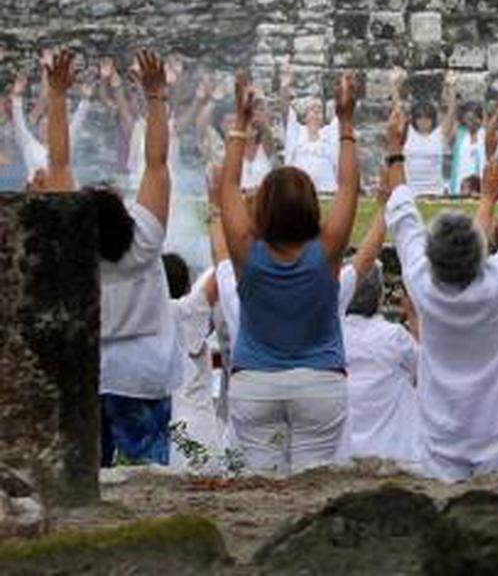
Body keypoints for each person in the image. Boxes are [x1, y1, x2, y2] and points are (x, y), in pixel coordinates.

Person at [383, 96, 498, 481]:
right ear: (481, 252)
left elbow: (404, 217)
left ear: (432, 256)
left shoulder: (422, 283)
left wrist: (395, 149)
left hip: (440, 433)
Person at [219, 69, 360, 474]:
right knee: (311, 488)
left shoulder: (248, 253)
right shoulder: (326, 252)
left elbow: (227, 189)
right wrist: (345, 121)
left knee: (263, 489)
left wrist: (241, 123)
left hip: (255, 382)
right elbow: (349, 188)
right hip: (320, 380)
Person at [67, 48, 184, 467]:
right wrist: (155, 96)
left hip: (92, 371)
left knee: (86, 475)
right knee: (150, 476)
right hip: (143, 371)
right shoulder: (145, 241)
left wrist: (57, 92)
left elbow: (60, 164)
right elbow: (156, 164)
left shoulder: (74, 253)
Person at [339, 189, 420, 466]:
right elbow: (427, 371)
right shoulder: (394, 337)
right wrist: (416, 318)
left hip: (347, 450)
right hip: (393, 451)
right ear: (380, 297)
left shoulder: (330, 336)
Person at [164, 252, 223, 472]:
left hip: (164, 430)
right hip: (200, 427)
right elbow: (221, 272)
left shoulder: (144, 317)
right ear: (188, 285)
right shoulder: (188, 310)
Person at [10, 64, 92, 185]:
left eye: (48, 126)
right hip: (38, 190)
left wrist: (85, 99)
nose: (45, 129)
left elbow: (78, 121)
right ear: (37, 130)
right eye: (42, 126)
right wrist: (16, 97)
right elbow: (19, 124)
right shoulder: (29, 145)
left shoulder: (65, 142)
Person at [389, 68, 447, 197]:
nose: (423, 121)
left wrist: (452, 87)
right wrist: (394, 86)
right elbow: (398, 109)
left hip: (435, 192)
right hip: (411, 191)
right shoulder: (408, 133)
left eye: (427, 117)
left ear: (433, 119)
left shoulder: (439, 134)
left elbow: (450, 112)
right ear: (415, 119)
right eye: (419, 117)